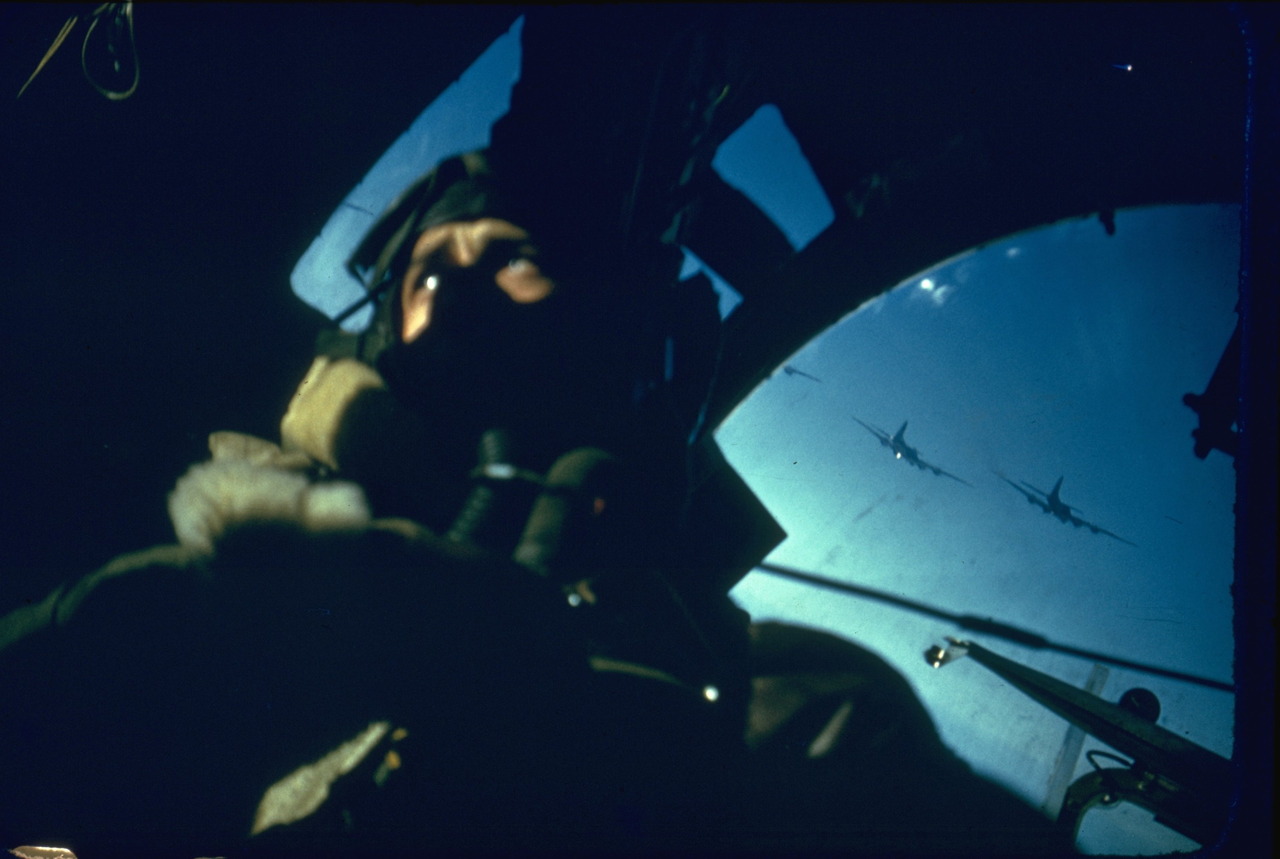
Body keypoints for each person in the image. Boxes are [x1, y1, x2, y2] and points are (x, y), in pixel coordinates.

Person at [1, 151, 1071, 856]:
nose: (458, 290)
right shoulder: (249, 582)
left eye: (509, 257)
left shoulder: (804, 699)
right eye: (426, 274)